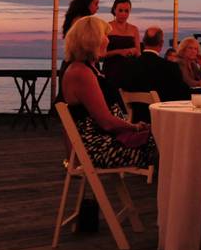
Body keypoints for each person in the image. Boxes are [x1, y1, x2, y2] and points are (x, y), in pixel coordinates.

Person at [60, 16, 155, 168]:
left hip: (110, 139)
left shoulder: (89, 69)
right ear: (92, 39)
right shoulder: (81, 72)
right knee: (165, 143)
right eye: (105, 36)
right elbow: (107, 122)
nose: (108, 41)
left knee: (167, 139)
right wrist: (135, 127)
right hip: (99, 148)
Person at [129, 27, 190, 106]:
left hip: (137, 115)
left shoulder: (129, 66)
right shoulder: (170, 67)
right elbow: (184, 94)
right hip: (163, 115)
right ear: (161, 43)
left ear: (143, 42)